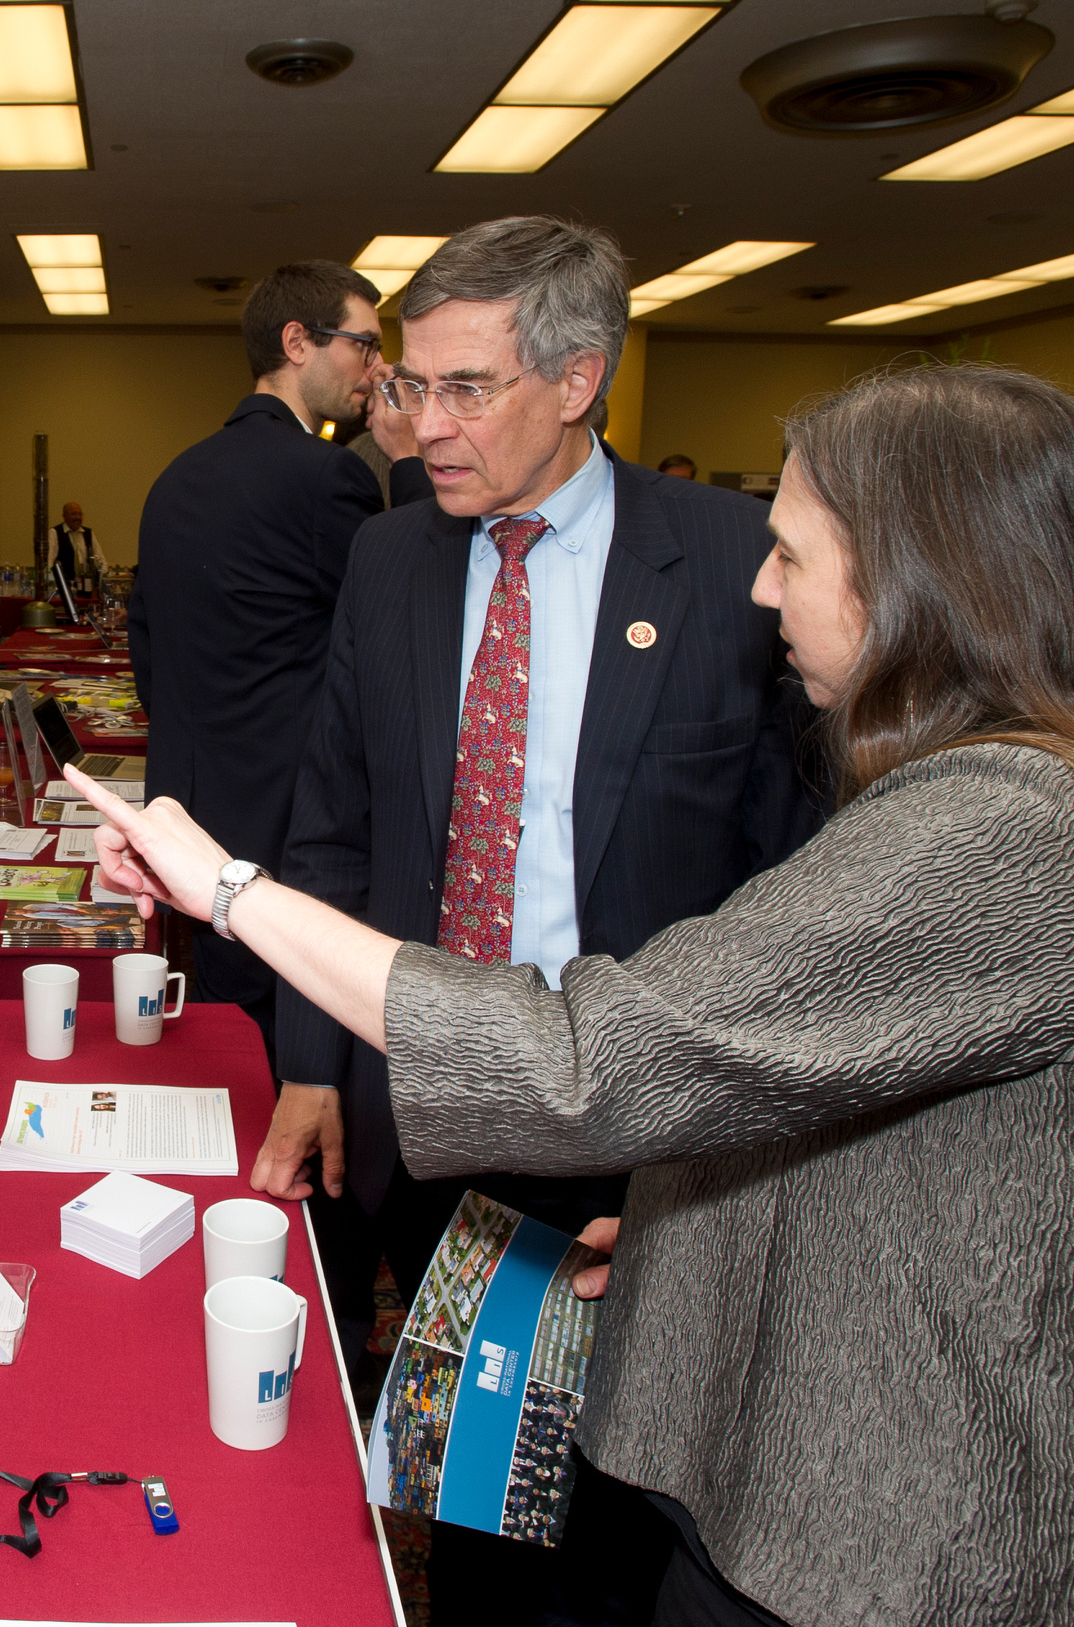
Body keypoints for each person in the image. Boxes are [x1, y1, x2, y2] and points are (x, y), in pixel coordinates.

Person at [64, 360, 1074, 1626]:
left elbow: (582, 1059)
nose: (761, 592)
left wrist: (226, 890)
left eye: (791, 556)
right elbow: (882, 1089)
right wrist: (695, 1223)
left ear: (929, 587)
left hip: (931, 1527)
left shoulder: (1013, 830)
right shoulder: (1041, 784)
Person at [264, 216, 819, 1615]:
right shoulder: (390, 562)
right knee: (474, 1484)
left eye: (465, 389)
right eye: (406, 386)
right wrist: (310, 1066)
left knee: (631, 1509)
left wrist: (721, 1162)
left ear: (578, 381)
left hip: (643, 1137)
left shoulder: (736, 570)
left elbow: (789, 886)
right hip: (427, 1104)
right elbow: (333, 823)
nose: (421, 425)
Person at [128, 260, 393, 1052]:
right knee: (293, 1054)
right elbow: (399, 637)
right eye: (364, 346)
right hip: (289, 838)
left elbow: (150, 654)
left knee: (224, 1043)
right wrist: (408, 461)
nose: (376, 371)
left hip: (188, 821)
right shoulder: (326, 477)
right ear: (297, 342)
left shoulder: (174, 478)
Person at [48, 501, 106, 589]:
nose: (78, 517)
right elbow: (50, 561)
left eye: (80, 514)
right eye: (74, 514)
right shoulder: (54, 533)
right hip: (63, 586)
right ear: (64, 516)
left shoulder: (88, 533)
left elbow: (100, 558)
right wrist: (52, 580)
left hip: (86, 586)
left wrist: (103, 577)